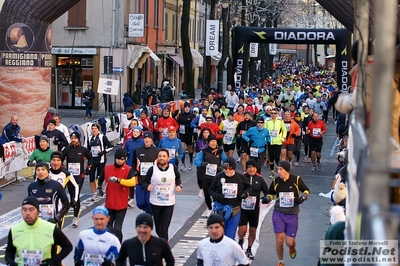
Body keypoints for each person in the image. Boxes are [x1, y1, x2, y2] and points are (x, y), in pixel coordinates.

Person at [262, 161, 310, 266]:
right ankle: (281, 262)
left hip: (292, 215)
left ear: (287, 170)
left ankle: (292, 248)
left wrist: (302, 198)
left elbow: (306, 190)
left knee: (289, 242)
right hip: (278, 213)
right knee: (279, 240)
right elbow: (271, 193)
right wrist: (267, 198)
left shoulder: (296, 180)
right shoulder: (276, 181)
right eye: (277, 169)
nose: (278, 172)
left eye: (281, 169)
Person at [5, 196, 73, 266]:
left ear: (38, 212)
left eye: (31, 210)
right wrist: (10, 262)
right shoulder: (14, 229)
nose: (27, 213)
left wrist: (53, 261)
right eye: (24, 210)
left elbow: (68, 246)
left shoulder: (51, 228)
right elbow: (9, 251)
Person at [97, 148, 136, 242]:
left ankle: (118, 246)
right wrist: (99, 188)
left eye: (122, 159)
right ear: (115, 158)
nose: (120, 161)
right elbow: (100, 178)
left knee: (117, 228)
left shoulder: (128, 169)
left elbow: (132, 182)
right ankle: (109, 245)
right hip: (109, 204)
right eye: (118, 159)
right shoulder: (107, 168)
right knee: (108, 227)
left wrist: (119, 181)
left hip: (121, 205)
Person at [143, 149, 182, 241]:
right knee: (158, 229)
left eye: (164, 156)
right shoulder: (152, 169)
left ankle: (164, 249)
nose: (162, 158)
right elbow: (144, 182)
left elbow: (178, 178)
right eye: (160, 156)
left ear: (168, 158)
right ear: (157, 157)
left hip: (168, 203)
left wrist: (179, 186)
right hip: (155, 202)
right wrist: (147, 186)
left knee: (164, 228)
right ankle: (164, 241)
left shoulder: (173, 168)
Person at [209, 157, 252, 239]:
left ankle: (229, 251)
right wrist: (217, 196)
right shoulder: (219, 177)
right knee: (220, 234)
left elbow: (249, 187)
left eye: (230, 168)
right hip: (221, 209)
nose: (227, 171)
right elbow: (210, 190)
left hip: (235, 209)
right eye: (225, 168)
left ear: (234, 168)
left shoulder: (239, 177)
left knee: (230, 235)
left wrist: (245, 194)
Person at [237, 159, 268, 260]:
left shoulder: (260, 179)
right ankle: (240, 241)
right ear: (246, 168)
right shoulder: (241, 177)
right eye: (249, 167)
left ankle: (249, 249)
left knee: (253, 231)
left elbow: (266, 191)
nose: (252, 169)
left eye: (254, 167)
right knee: (242, 230)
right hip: (243, 208)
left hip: (254, 209)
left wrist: (266, 198)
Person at [62, 131, 92, 227]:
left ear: (78, 139)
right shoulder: (66, 149)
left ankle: (75, 217)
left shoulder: (83, 149)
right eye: (72, 138)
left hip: (79, 176)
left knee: (76, 195)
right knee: (72, 196)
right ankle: (73, 209)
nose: (73, 140)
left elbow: (90, 159)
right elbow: (60, 160)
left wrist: (88, 168)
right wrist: (63, 170)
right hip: (69, 176)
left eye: (75, 138)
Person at [28, 162, 70, 227]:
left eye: (43, 170)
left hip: (53, 222)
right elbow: (28, 205)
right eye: (38, 170)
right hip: (37, 222)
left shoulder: (56, 185)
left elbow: (66, 204)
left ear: (48, 171)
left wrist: (58, 217)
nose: (40, 172)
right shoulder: (31, 186)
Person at [194, 134, 227, 217]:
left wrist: (222, 167)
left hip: (217, 176)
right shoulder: (204, 151)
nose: (213, 143)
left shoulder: (220, 151)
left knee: (216, 193)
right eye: (211, 142)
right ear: (208, 143)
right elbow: (196, 161)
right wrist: (202, 164)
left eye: (215, 141)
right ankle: (209, 208)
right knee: (207, 193)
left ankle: (215, 208)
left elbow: (227, 161)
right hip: (206, 176)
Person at [49, 151, 79, 226]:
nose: (55, 163)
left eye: (58, 160)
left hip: (59, 206)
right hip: (45, 206)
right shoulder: (45, 172)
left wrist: (75, 199)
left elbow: (76, 186)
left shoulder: (66, 174)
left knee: (57, 231)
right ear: (50, 161)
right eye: (53, 160)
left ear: (62, 162)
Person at [132, 131, 159, 214]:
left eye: (149, 138)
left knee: (148, 202)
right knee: (140, 203)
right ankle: (146, 211)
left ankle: (149, 216)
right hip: (140, 181)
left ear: (151, 140)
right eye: (145, 138)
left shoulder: (157, 151)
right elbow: (133, 162)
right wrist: (134, 171)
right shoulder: (138, 150)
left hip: (151, 182)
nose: (147, 140)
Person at [87, 123, 113, 201]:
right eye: (93, 128)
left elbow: (110, 146)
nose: (94, 130)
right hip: (92, 160)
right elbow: (87, 149)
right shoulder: (89, 138)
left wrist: (103, 152)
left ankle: (101, 189)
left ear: (98, 129)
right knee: (91, 178)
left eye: (95, 128)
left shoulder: (102, 137)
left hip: (101, 160)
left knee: (99, 177)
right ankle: (94, 194)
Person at [124, 125, 144, 207]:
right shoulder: (128, 142)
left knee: (140, 182)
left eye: (137, 132)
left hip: (140, 165)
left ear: (140, 133)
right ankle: (131, 198)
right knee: (131, 182)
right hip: (130, 163)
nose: (135, 133)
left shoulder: (142, 142)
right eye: (134, 132)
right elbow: (124, 152)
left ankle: (142, 198)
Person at [265, 108, 287, 178]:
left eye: (275, 113)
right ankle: (272, 172)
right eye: (272, 113)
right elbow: (265, 131)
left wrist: (283, 138)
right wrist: (266, 139)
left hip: (278, 142)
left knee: (277, 158)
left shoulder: (280, 121)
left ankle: (279, 171)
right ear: (270, 114)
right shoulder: (267, 121)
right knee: (271, 158)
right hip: (270, 142)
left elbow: (284, 130)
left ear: (277, 114)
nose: (273, 114)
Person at [177, 102, 196, 171]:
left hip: (190, 134)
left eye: (188, 107)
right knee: (182, 149)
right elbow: (178, 123)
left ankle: (191, 162)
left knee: (190, 149)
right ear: (184, 108)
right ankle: (183, 164)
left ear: (190, 108)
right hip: (182, 134)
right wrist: (178, 132)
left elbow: (195, 124)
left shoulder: (192, 115)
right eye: (185, 107)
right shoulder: (180, 115)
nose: (187, 109)